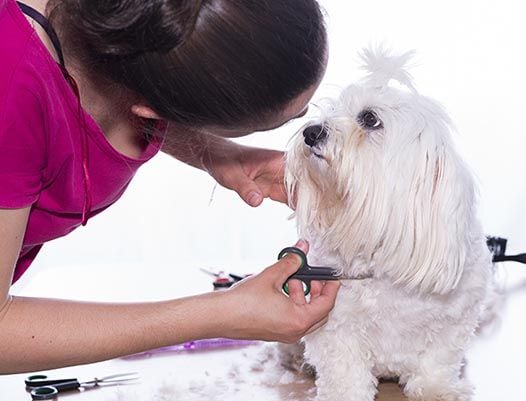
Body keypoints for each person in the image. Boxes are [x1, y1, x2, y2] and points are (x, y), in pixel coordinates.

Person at [0, 0, 339, 375]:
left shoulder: (121, 30)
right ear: (150, 108)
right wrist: (218, 313)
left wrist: (221, 154)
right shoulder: (11, 90)